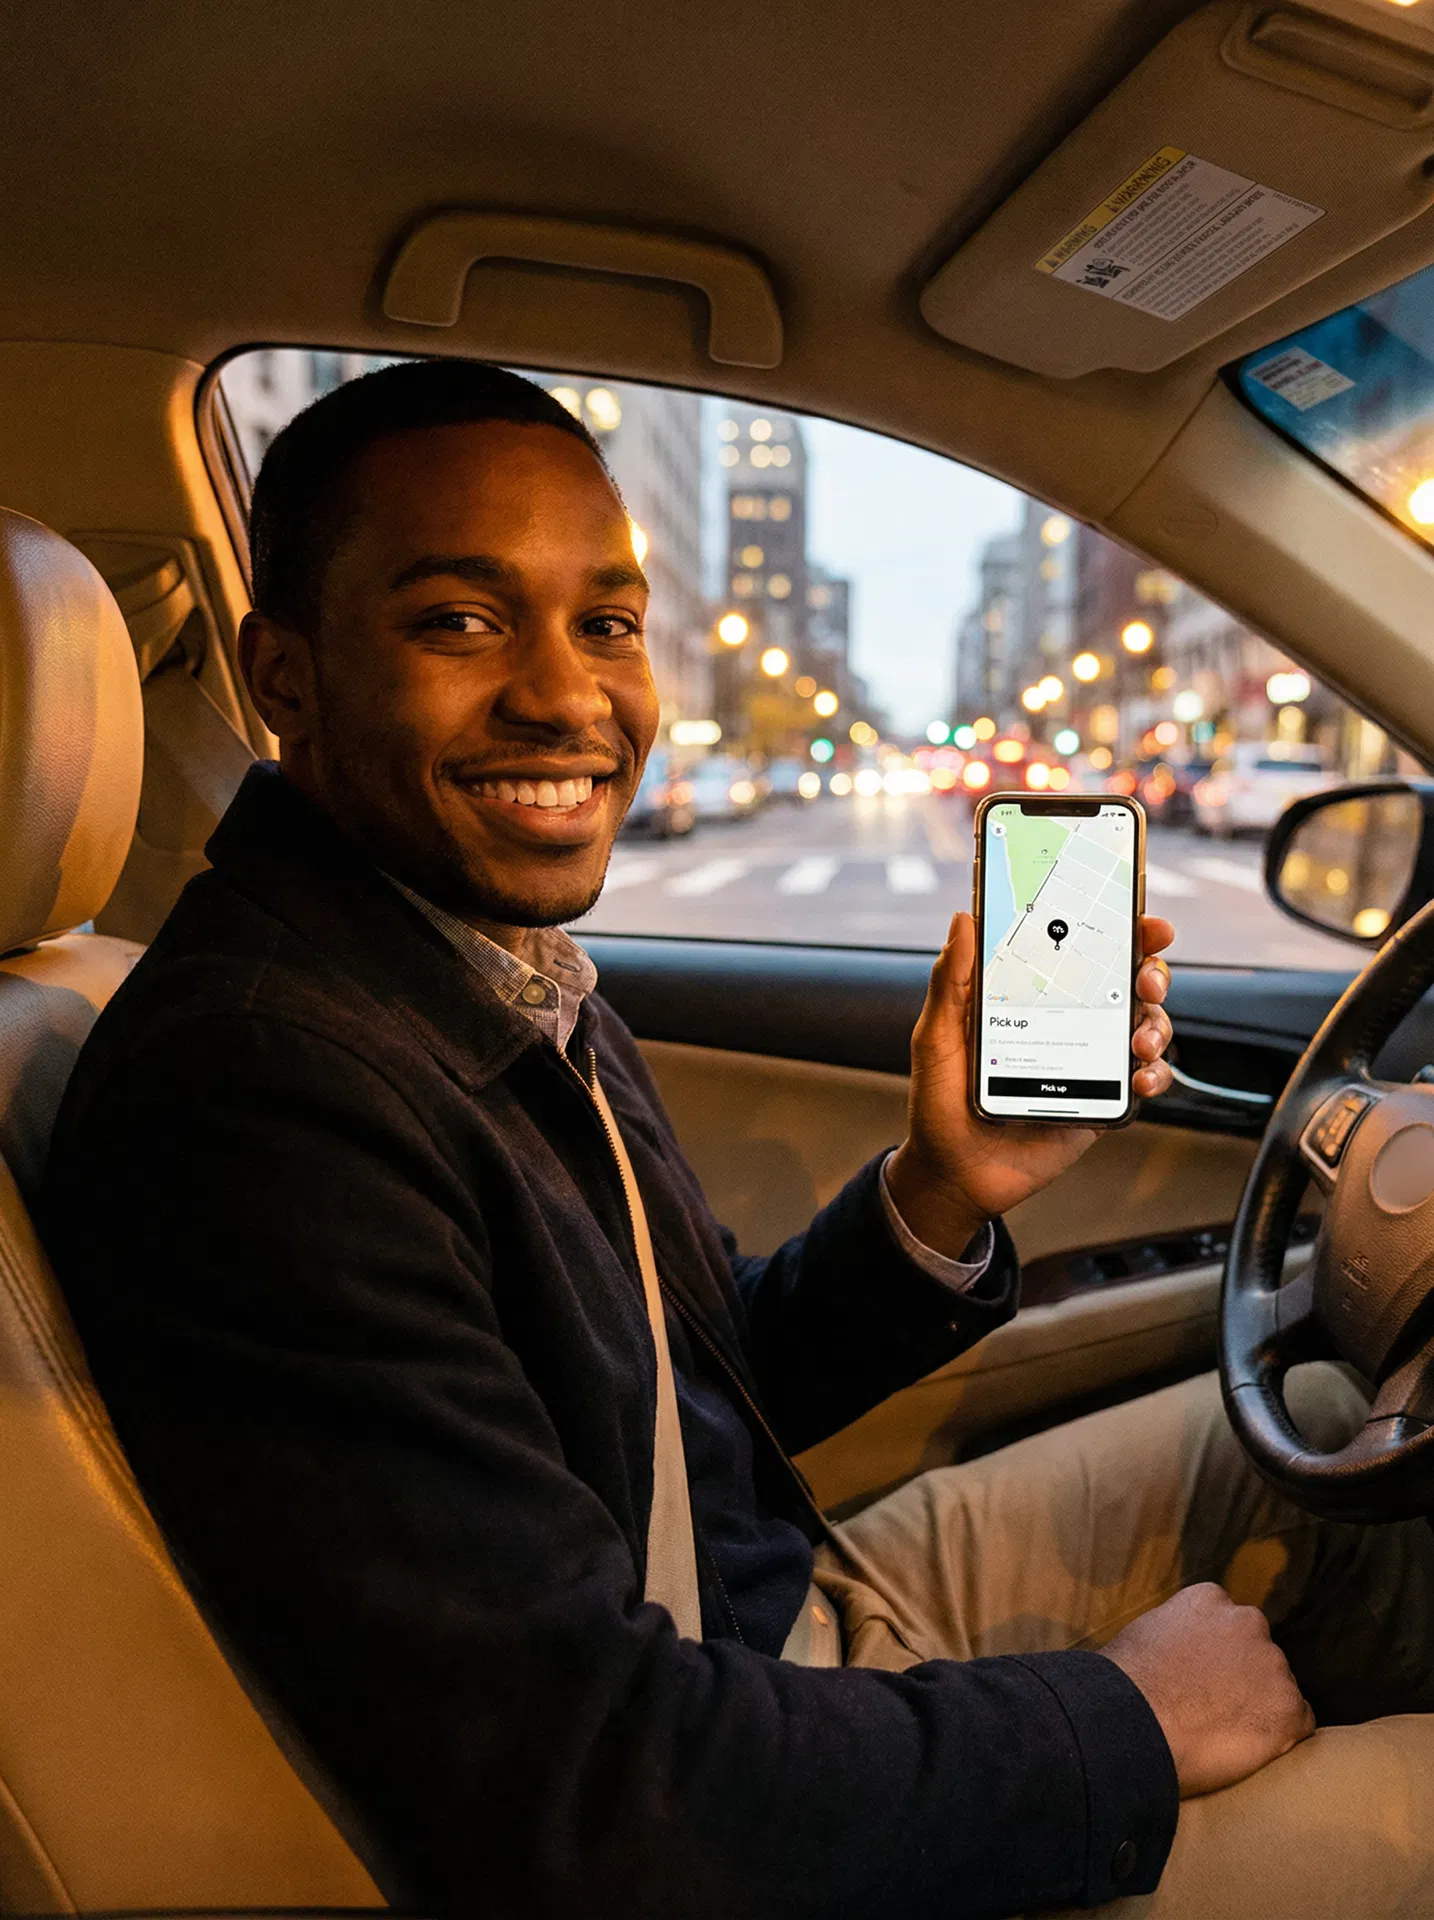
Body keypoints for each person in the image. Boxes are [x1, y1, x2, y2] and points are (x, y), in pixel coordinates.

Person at [43, 361, 1434, 1920]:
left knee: (1310, 1425)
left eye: (608, 622)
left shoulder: (462, 964)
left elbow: (674, 1398)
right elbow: (596, 1796)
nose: (568, 695)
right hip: (725, 1778)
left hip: (749, 1629)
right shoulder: (262, 1088)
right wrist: (1119, 1719)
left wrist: (937, 1192)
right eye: (459, 619)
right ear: (284, 675)